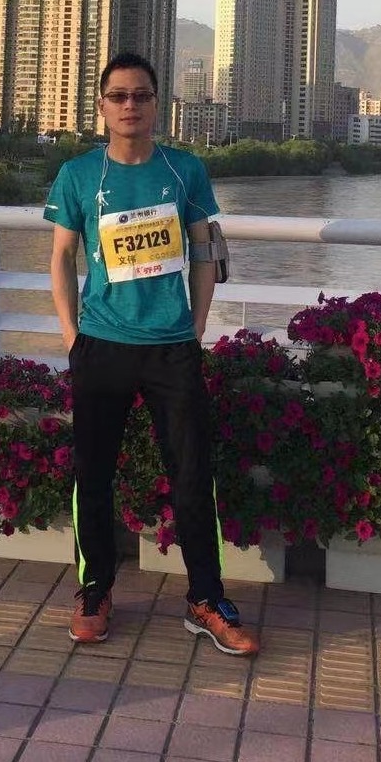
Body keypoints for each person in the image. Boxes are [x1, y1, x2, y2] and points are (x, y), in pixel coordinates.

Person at [44, 52, 259, 657]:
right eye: (118, 96)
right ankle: (94, 591)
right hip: (101, 345)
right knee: (93, 473)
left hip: (171, 349)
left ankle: (206, 599)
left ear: (156, 103)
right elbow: (61, 258)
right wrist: (72, 337)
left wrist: (196, 326)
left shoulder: (185, 170)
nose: (130, 105)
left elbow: (205, 252)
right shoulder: (78, 174)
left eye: (141, 95)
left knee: (192, 474)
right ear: (102, 106)